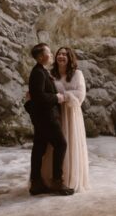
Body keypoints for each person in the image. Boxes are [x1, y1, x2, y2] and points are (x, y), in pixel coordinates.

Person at [25, 43, 74, 196]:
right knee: (61, 144)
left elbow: (35, 96)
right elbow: (39, 97)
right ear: (41, 57)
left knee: (39, 149)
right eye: (49, 53)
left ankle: (36, 183)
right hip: (46, 117)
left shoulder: (40, 71)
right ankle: (57, 182)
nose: (52, 55)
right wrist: (56, 98)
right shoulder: (38, 73)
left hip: (41, 117)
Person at [40, 47, 90, 192]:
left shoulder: (77, 74)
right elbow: (46, 93)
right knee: (55, 144)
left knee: (70, 142)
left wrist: (64, 96)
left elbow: (80, 94)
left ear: (70, 58)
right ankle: (52, 179)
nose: (61, 56)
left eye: (64, 54)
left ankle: (69, 179)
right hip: (56, 113)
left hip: (71, 113)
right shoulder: (51, 74)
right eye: (59, 54)